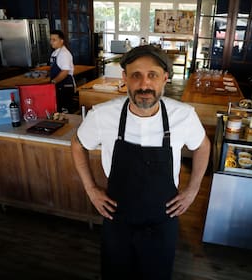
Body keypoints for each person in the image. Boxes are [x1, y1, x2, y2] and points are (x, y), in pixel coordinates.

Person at [71, 45, 210, 279]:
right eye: (136, 75)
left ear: (165, 77)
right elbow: (78, 144)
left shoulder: (183, 115)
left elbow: (203, 146)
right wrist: (91, 189)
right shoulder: (102, 115)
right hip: (117, 219)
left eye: (152, 75)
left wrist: (193, 189)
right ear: (125, 78)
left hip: (162, 220)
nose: (144, 85)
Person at [49, 30, 76, 113]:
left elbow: (65, 72)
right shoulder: (55, 53)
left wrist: (53, 82)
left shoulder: (64, 53)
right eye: (50, 39)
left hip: (65, 86)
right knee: (59, 110)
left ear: (61, 41)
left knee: (65, 112)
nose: (51, 42)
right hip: (59, 85)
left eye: (54, 40)